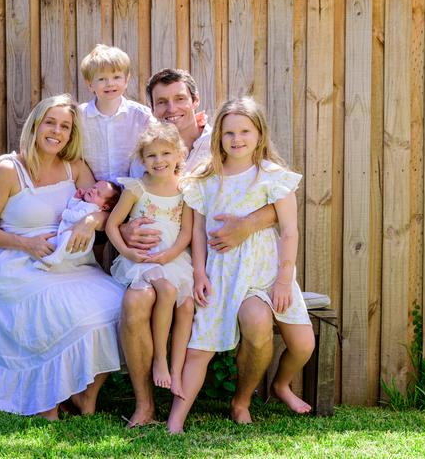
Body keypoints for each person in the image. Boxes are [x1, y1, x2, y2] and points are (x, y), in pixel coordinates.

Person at [118, 69, 279, 427]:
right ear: (152, 109)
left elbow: (275, 197)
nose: (171, 108)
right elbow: (129, 202)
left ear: (195, 102)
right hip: (160, 256)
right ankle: (145, 404)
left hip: (221, 259)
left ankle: (238, 400)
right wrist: (127, 229)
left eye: (179, 99)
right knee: (135, 301)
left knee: (243, 320)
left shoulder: (221, 141)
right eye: (161, 102)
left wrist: (247, 225)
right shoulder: (146, 152)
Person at [0, 94, 124, 420]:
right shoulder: (8, 169)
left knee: (118, 302)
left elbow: (107, 211)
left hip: (72, 265)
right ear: (36, 125)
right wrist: (25, 244)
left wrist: (91, 220)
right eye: (50, 123)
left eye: (65, 126)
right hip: (20, 265)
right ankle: (44, 399)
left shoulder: (75, 168)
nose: (57, 131)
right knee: (55, 308)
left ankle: (85, 395)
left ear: (72, 134)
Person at [166, 97, 315, 433]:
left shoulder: (273, 178)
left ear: (259, 134)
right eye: (229, 132)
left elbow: (289, 232)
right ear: (218, 136)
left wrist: (282, 280)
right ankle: (177, 417)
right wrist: (200, 273)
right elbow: (199, 234)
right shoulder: (205, 179)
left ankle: (279, 385)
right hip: (221, 273)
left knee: (304, 344)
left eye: (245, 131)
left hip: (266, 274)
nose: (237, 139)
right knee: (200, 345)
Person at [106, 123, 195, 401]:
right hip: (141, 260)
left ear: (179, 154)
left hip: (173, 259)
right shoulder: (136, 188)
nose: (159, 161)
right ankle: (160, 358)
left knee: (187, 307)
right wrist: (127, 252)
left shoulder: (185, 190)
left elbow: (186, 232)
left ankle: (177, 372)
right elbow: (112, 225)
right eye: (152, 155)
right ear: (142, 160)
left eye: (166, 153)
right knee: (167, 291)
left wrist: (170, 255)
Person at [78, 44, 153, 183]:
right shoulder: (79, 117)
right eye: (101, 79)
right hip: (92, 193)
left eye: (116, 77)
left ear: (126, 80)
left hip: (134, 192)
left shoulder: (142, 116)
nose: (110, 84)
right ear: (89, 84)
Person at [34, 180, 121, 270]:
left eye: (98, 193)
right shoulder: (85, 203)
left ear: (104, 207)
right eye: (94, 187)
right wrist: (76, 198)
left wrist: (64, 214)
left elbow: (78, 216)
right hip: (68, 237)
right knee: (53, 240)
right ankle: (51, 256)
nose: (93, 191)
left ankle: (54, 259)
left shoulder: (92, 208)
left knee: (67, 236)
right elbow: (72, 207)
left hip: (78, 242)